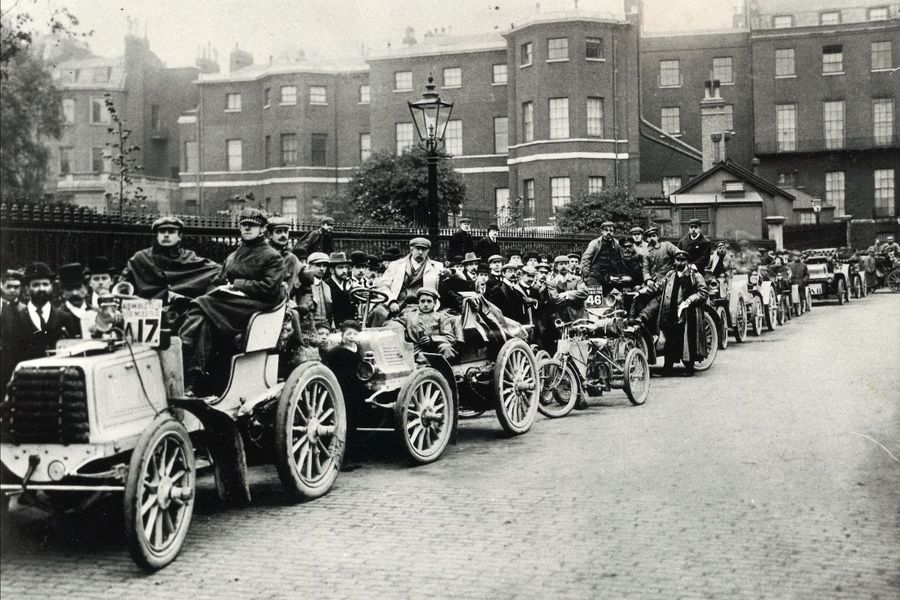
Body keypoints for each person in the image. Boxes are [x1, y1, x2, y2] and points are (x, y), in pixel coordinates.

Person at [179, 208, 285, 395]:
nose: (247, 229)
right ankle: (195, 376)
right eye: (243, 225)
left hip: (256, 307)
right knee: (203, 319)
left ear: (262, 229)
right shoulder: (233, 256)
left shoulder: (272, 256)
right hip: (229, 305)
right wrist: (221, 289)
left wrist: (237, 285)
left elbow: (269, 289)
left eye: (252, 225)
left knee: (201, 304)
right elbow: (216, 282)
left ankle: (183, 343)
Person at [121, 216, 221, 328]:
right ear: (157, 236)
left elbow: (217, 272)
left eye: (172, 231)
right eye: (162, 231)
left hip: (182, 317)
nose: (166, 235)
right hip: (145, 315)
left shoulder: (189, 257)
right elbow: (122, 287)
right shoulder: (140, 258)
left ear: (180, 236)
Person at [1, 262, 80, 394]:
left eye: (45, 284)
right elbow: (9, 358)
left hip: (60, 385)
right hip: (28, 386)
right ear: (27, 289)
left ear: (51, 287)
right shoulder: (15, 318)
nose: (41, 288)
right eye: (36, 285)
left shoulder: (65, 317)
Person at [657, 250, 709, 376]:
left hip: (688, 313)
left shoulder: (695, 276)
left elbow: (703, 293)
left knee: (687, 339)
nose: (679, 262)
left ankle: (689, 368)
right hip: (670, 312)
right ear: (674, 261)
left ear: (687, 261)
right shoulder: (670, 275)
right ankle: (667, 368)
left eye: (682, 260)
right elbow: (659, 286)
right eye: (677, 260)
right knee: (670, 338)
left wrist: (690, 300)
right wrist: (643, 290)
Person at [371, 237, 443, 326]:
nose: (420, 252)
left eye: (424, 249)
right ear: (411, 249)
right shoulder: (396, 265)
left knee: (405, 322)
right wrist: (391, 301)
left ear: (428, 251)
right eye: (418, 249)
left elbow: (456, 278)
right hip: (394, 303)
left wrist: (452, 272)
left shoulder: (436, 267)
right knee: (377, 312)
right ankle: (372, 338)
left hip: (419, 306)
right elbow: (383, 286)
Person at [390, 288, 457, 361]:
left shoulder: (441, 317)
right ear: (418, 302)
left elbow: (450, 338)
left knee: (446, 348)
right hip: (418, 349)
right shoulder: (410, 316)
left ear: (434, 303)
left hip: (437, 348)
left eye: (429, 301)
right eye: (422, 301)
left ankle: (445, 369)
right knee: (421, 359)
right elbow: (392, 323)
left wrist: (432, 339)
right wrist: (397, 327)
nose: (425, 304)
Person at [267, 216, 303, 300]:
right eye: (279, 232)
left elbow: (306, 287)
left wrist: (304, 305)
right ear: (270, 235)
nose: (283, 235)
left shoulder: (292, 258)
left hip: (285, 307)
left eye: (286, 231)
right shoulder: (262, 255)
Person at [580, 221, 625, 289]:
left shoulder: (617, 244)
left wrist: (621, 274)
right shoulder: (595, 243)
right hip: (596, 274)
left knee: (614, 296)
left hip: (611, 275)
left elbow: (621, 259)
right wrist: (586, 275)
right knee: (595, 293)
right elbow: (586, 258)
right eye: (606, 230)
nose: (608, 232)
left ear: (614, 232)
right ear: (602, 231)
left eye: (611, 230)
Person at [57, 262, 92, 336]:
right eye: (69, 289)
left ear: (86, 287)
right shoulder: (57, 317)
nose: (75, 293)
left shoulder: (96, 312)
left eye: (78, 287)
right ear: (62, 292)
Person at [326, 252, 357, 326]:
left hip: (352, 325)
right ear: (332, 270)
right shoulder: (326, 286)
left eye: (346, 267)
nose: (344, 271)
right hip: (335, 327)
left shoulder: (350, 284)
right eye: (340, 267)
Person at [307, 252, 333, 329]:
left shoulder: (326, 286)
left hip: (325, 326)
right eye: (318, 265)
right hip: (309, 326)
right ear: (309, 266)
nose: (322, 269)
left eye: (324, 266)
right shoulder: (305, 285)